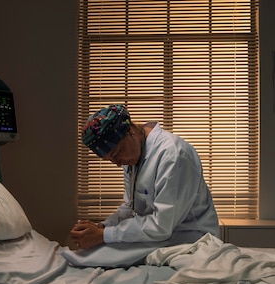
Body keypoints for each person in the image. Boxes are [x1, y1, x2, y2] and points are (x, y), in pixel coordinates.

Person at [70, 104, 219, 250]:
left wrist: (104, 235)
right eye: (110, 159)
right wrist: (103, 226)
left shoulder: (172, 155)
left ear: (130, 131)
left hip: (192, 240)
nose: (117, 163)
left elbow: (162, 225)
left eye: (117, 154)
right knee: (93, 253)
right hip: (161, 237)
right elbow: (131, 208)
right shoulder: (132, 157)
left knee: (99, 256)